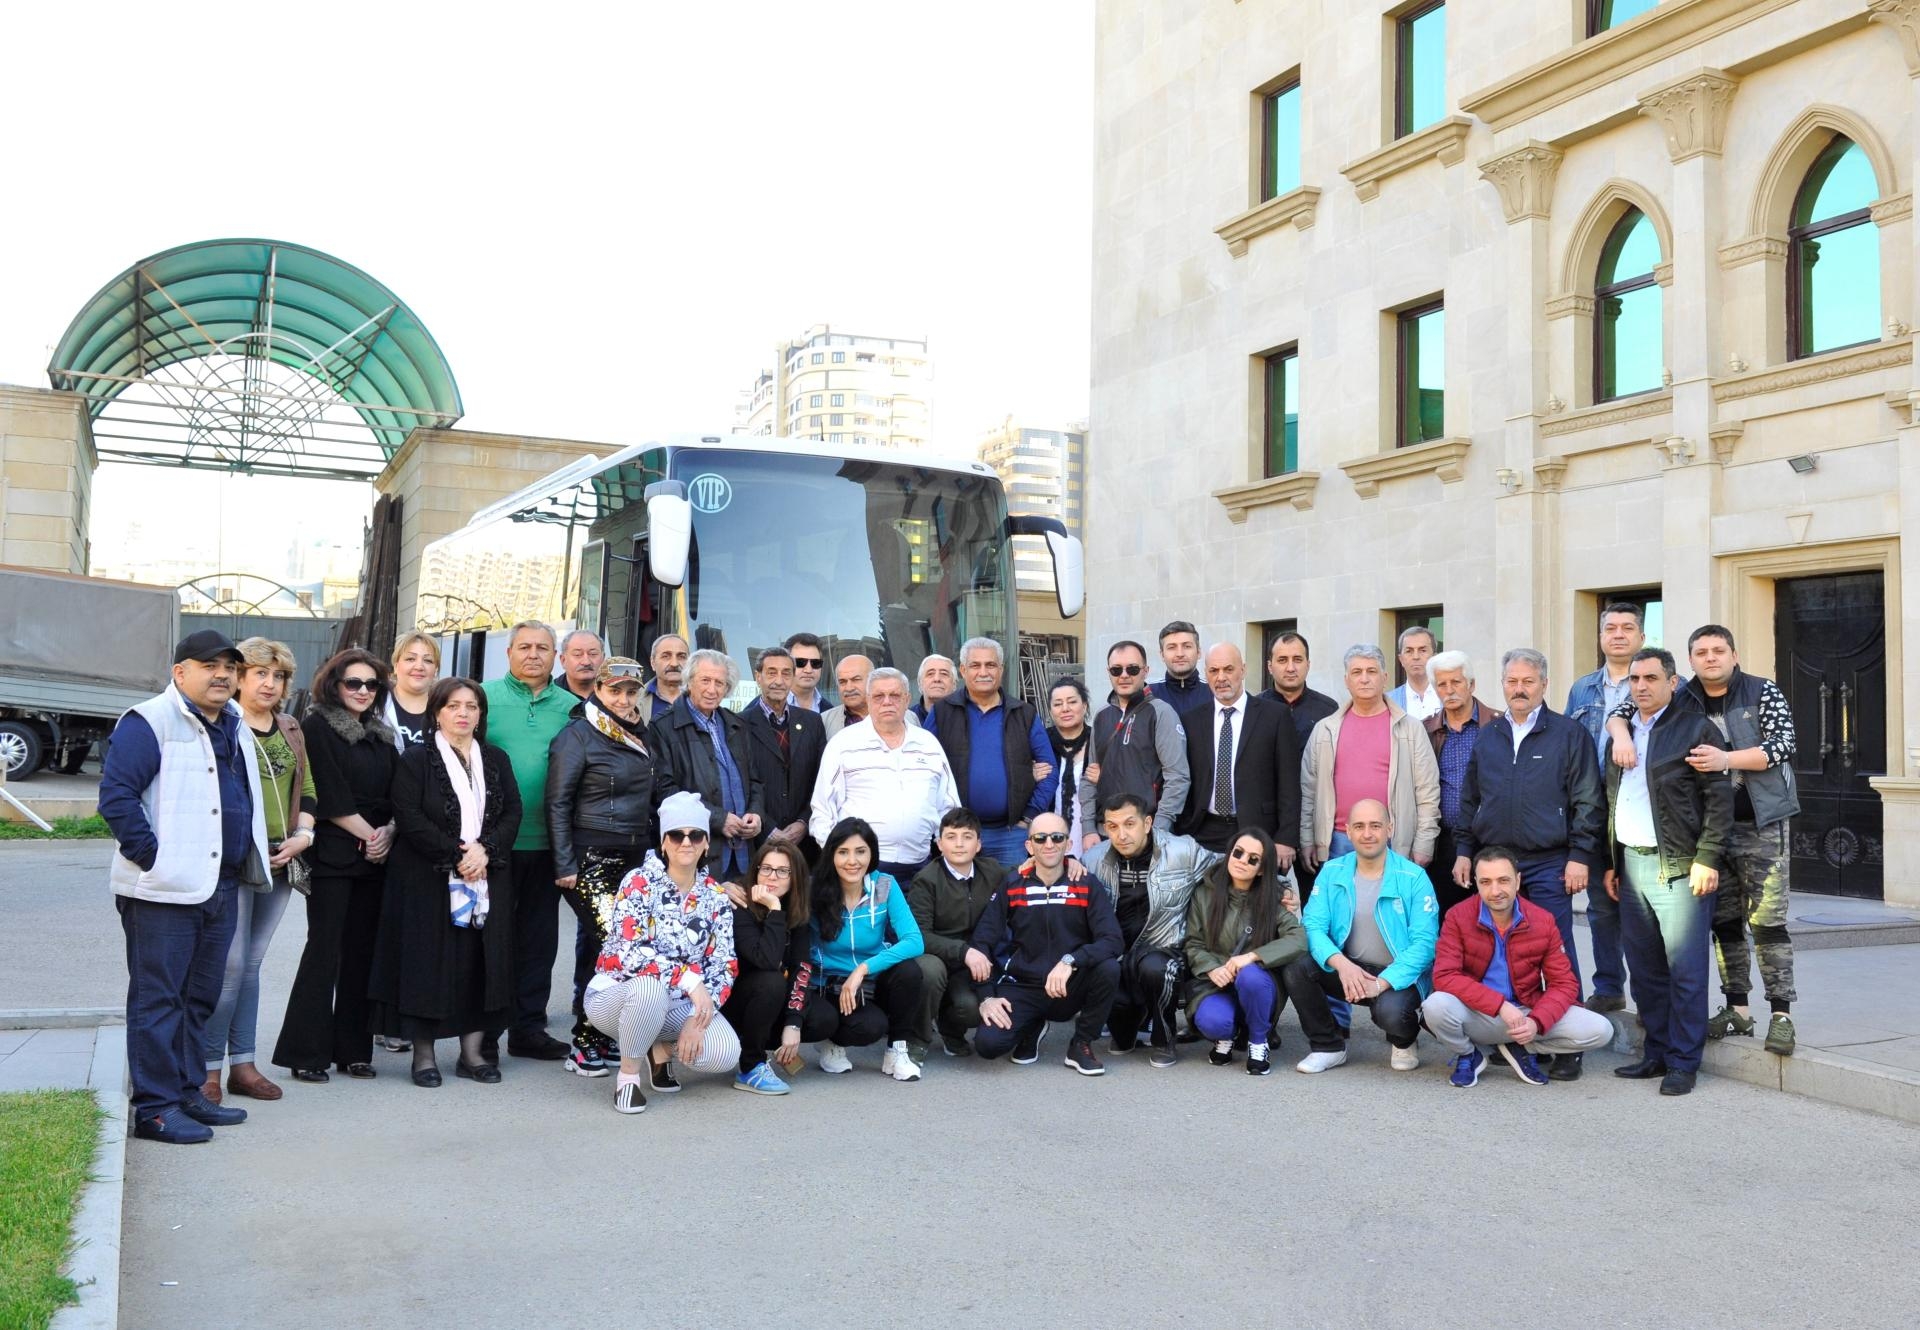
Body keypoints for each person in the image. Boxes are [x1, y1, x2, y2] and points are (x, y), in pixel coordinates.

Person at [99, 629, 268, 1143]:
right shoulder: (149, 720)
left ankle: (188, 1090)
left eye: (229, 666)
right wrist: (154, 860)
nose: (222, 674)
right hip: (162, 891)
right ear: (180, 672)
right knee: (158, 1000)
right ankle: (153, 1108)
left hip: (219, 886)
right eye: (208, 664)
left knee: (200, 998)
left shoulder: (234, 724)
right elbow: (117, 798)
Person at [1451, 648, 1606, 1079]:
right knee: (1499, 950)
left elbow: (1587, 801)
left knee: (1556, 952)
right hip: (1497, 861)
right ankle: (1512, 1033)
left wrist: (1579, 856)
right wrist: (1465, 848)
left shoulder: (1568, 734)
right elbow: (1471, 797)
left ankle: (1567, 1045)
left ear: (1544, 685)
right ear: (1503, 685)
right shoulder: (1490, 734)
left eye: (1528, 682)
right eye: (1512, 682)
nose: (1519, 690)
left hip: (1550, 862)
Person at [368, 679, 523, 1087]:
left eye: (472, 706)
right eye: (454, 706)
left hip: (487, 876)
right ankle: (423, 1057)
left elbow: (513, 812)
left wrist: (484, 851)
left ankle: (472, 1054)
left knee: (480, 964)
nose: (463, 713)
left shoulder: (496, 759)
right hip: (426, 878)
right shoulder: (417, 760)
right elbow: (410, 815)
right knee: (428, 965)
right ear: (436, 712)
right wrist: (459, 854)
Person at [1604, 648, 1734, 1097]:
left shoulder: (1693, 729)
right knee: (1645, 970)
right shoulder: (1621, 732)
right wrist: (1612, 862)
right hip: (1632, 864)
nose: (1641, 686)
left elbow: (1719, 800)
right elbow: (1613, 801)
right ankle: (1656, 1053)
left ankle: (1684, 1061)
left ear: (1672, 682)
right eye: (1635, 679)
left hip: (1680, 867)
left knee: (1686, 970)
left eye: (1651, 678)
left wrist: (1708, 858)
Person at [273, 648, 397, 1083]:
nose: (363, 691)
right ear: (335, 684)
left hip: (375, 857)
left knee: (362, 954)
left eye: (371, 684)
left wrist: (388, 834)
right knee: (324, 951)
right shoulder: (317, 727)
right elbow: (327, 793)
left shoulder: (381, 734)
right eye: (353, 683)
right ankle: (305, 1052)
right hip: (333, 857)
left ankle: (354, 1050)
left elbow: (396, 793)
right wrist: (371, 834)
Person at [201, 637, 315, 1106]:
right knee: (228, 967)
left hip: (281, 857)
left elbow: (307, 787)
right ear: (240, 677)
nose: (269, 683)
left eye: (279, 675)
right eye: (259, 673)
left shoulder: (289, 727)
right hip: (234, 860)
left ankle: (244, 1066)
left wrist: (302, 836)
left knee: (251, 964)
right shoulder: (221, 725)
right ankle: (206, 1069)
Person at [583, 792, 742, 1114]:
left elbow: (724, 963)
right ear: (664, 842)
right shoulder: (638, 882)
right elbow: (630, 952)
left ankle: (661, 1047)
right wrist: (689, 981)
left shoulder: (715, 896)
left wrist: (700, 1017)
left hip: (677, 1007)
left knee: (725, 1054)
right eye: (676, 834)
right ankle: (628, 1080)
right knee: (649, 989)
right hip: (616, 996)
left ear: (707, 843)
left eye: (695, 835)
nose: (686, 842)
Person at [545, 656, 663, 1075]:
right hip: (590, 857)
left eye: (631, 691)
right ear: (597, 689)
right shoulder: (577, 736)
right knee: (618, 944)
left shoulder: (640, 735)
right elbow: (557, 802)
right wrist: (564, 863)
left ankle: (606, 1034)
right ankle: (585, 1042)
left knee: (605, 945)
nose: (623, 699)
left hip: (634, 856)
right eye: (614, 690)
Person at [1423, 847, 1614, 1088]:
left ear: (1518, 881)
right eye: (1486, 882)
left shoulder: (1542, 920)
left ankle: (1520, 1044)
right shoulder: (1458, 916)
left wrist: (1536, 1022)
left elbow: (1564, 983)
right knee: (1435, 1006)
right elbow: (1445, 976)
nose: (1495, 891)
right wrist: (1499, 1005)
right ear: (1476, 884)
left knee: (1600, 1030)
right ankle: (1469, 1054)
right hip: (1479, 1012)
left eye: (1503, 880)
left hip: (1525, 1012)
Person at [480, 620, 576, 1062]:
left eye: (542, 648)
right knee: (493, 939)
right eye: (524, 647)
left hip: (549, 844)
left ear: (556, 657)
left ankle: (528, 1029)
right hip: (494, 844)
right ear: (509, 653)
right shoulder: (483, 699)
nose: (533, 655)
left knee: (539, 941)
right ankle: (485, 1034)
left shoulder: (573, 707)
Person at [1282, 799, 1438, 1073]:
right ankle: (1327, 1046)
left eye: (1375, 826)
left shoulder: (1413, 878)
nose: (1368, 834)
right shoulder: (1331, 872)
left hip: (1396, 974)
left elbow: (1425, 945)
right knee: (1297, 965)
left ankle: (1403, 1040)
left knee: (1390, 1013)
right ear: (1348, 831)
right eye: (1360, 826)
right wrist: (1341, 964)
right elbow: (1313, 926)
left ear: (1389, 829)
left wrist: (1382, 983)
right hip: (1349, 968)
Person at [968, 812, 1124, 1074]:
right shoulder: (1012, 884)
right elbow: (982, 940)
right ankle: (1032, 1026)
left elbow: (1113, 940)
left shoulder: (1085, 883)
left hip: (1069, 985)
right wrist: (986, 997)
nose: (1049, 844)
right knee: (987, 1046)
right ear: (1029, 846)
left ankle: (1081, 1044)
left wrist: (1071, 961)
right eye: (1040, 838)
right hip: (1023, 986)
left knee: (1109, 967)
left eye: (1057, 837)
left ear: (1068, 844)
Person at [1082, 791, 1220, 1066]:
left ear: (1147, 823)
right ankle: (1129, 1024)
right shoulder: (1093, 861)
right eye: (1113, 826)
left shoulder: (1183, 851)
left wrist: (1282, 888)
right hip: (1117, 953)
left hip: (1164, 950)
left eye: (1129, 824)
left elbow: (1233, 866)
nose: (1121, 834)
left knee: (1154, 968)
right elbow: (1059, 874)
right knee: (1121, 1039)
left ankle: (1163, 1037)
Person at [1564, 601, 1647, 1014]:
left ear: (1641, 637)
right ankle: (1610, 986)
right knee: (1601, 908)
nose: (1618, 634)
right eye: (1610, 627)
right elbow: (1567, 749)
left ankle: (1653, 994)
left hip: (1642, 813)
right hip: (1593, 812)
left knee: (1643, 906)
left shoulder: (1665, 682)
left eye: (1627, 627)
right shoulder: (1582, 689)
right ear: (1600, 637)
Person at [803, 817, 927, 1081]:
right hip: (825, 986)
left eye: (861, 851)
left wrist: (864, 968)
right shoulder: (814, 888)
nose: (852, 861)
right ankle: (830, 1043)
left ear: (872, 854)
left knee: (908, 973)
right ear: (831, 855)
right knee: (822, 1021)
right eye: (843, 852)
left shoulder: (883, 885)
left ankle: (897, 1051)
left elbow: (914, 940)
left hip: (866, 983)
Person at [810, 666, 959, 882]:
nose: (887, 702)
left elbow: (948, 805)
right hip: (862, 871)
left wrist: (947, 851)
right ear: (869, 700)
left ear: (907, 700)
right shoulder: (843, 744)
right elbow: (823, 811)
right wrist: (842, 859)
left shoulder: (928, 744)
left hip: (921, 868)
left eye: (895, 695)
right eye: (879, 696)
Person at [1300, 644, 1439, 870]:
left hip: (1393, 841)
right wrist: (1307, 839)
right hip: (1338, 841)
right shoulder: (1325, 730)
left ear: (1384, 677)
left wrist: (1424, 842)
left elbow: (1427, 792)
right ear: (1346, 680)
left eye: (1371, 671)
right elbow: (1308, 790)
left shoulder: (1410, 729)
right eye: (1357, 672)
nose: (1364, 679)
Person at [1182, 829, 1305, 1076]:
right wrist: (1211, 968)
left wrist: (1252, 956)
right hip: (1216, 984)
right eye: (1238, 853)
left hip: (1258, 984)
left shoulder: (1274, 899)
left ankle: (1258, 1042)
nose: (1242, 861)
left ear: (1261, 869)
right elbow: (1193, 943)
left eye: (1253, 858)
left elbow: (1299, 939)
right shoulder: (1204, 893)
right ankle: (1227, 1036)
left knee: (1249, 974)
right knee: (1213, 1021)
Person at [928, 636, 1057, 864]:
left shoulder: (1024, 714)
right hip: (958, 834)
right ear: (963, 670)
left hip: (1010, 835)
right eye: (975, 665)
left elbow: (1050, 771)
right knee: (960, 898)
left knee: (1010, 897)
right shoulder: (942, 713)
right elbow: (922, 769)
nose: (983, 672)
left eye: (991, 665)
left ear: (1001, 669)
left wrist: (1028, 817)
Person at [1175, 643, 1300, 866]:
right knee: (1206, 899)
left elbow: (1289, 782)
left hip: (1258, 831)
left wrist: (1286, 838)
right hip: (1203, 831)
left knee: (1253, 900)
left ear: (1243, 670)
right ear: (1206, 674)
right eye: (1214, 671)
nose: (1221, 677)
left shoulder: (1275, 716)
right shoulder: (1191, 720)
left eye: (1228, 669)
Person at [652, 649, 764, 878]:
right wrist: (717, 818)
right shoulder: (663, 727)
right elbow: (665, 791)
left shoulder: (736, 724)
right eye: (705, 680)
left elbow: (755, 780)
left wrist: (756, 813)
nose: (712, 689)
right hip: (696, 854)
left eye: (720, 683)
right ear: (689, 681)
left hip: (743, 854)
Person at [906, 808, 1005, 1062]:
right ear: (939, 844)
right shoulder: (926, 880)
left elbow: (1027, 873)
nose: (959, 844)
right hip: (936, 957)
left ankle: (952, 1031)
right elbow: (919, 936)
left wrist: (1067, 862)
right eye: (951, 837)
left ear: (979, 844)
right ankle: (916, 1038)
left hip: (972, 963)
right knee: (929, 971)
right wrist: (964, 951)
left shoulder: (992, 871)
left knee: (969, 1009)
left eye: (967, 836)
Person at [719, 840, 812, 1096]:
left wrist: (793, 1024)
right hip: (732, 1004)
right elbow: (766, 959)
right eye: (766, 868)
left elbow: (802, 967)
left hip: (767, 1004)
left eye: (783, 871)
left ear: (796, 877)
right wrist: (774, 909)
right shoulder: (740, 902)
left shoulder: (798, 906)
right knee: (771, 981)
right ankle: (751, 1065)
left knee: (819, 1018)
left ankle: (774, 1041)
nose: (773, 877)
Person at [1078, 639, 1190, 851]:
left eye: (1132, 668)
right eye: (1116, 670)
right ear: (1108, 672)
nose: (1124, 675)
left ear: (1145, 671)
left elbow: (1178, 777)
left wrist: (1159, 830)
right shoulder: (1102, 716)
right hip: (1106, 833)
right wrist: (1088, 828)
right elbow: (1090, 777)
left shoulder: (1161, 713)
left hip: (1147, 834)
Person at [1423, 649, 1495, 919]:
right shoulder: (1426, 732)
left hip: (1491, 840)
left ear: (1471, 685)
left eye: (1456, 682)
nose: (1449, 690)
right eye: (1442, 684)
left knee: (1492, 919)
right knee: (1449, 920)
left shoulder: (1498, 726)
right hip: (1444, 843)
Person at [742, 646, 826, 857]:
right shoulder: (739, 724)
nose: (779, 681)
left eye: (786, 673)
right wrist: (768, 828)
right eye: (771, 673)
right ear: (757, 676)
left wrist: (803, 822)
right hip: (758, 842)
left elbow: (822, 780)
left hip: (806, 846)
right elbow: (742, 782)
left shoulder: (813, 722)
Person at [1259, 630, 1340, 752]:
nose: (1291, 668)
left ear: (1308, 665)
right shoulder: (1254, 709)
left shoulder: (1328, 710)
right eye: (1282, 660)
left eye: (1297, 660)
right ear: (1270, 667)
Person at [1044, 676, 1095, 851]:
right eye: (1057, 704)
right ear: (1050, 711)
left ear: (1085, 705)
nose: (1065, 709)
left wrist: (1105, 778)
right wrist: (1030, 775)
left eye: (1072, 702)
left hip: (1091, 831)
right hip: (1050, 836)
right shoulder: (1041, 743)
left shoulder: (1099, 740)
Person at [382, 631, 440, 751]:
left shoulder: (446, 708)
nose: (419, 667)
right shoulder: (376, 705)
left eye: (428, 660)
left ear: (436, 670)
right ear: (396, 666)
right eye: (410, 659)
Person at [1148, 619, 1210, 719]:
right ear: (1162, 655)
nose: (1180, 654)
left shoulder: (1213, 692)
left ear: (1198, 652)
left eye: (1187, 646)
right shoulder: (1148, 694)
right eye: (1172, 647)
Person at [1386, 625, 1442, 720]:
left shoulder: (1447, 696)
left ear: (1434, 657)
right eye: (1409, 651)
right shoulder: (1388, 702)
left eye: (1423, 650)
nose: (1416, 657)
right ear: (1401, 659)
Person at [643, 633, 690, 721]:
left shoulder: (705, 697)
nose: (674, 664)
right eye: (666, 656)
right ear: (652, 663)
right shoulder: (634, 700)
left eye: (681, 657)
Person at [556, 629, 606, 703]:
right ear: (563, 660)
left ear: (603, 659)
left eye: (593, 654)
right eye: (577, 655)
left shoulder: (618, 694)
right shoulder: (550, 695)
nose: (586, 662)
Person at [783, 631, 827, 712]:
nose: (808, 670)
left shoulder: (829, 711)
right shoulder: (763, 708)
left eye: (815, 663)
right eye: (800, 662)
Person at [915, 653, 957, 722]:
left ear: (954, 684)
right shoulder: (907, 719)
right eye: (930, 674)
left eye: (944, 674)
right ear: (920, 683)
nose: (937, 679)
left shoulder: (968, 716)